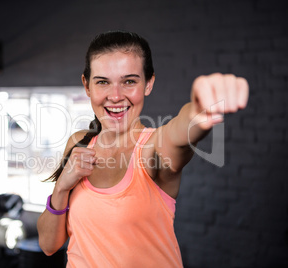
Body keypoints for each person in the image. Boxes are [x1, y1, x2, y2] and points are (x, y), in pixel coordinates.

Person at [37, 31, 249, 267]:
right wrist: (62, 187)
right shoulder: (79, 143)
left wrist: (200, 109)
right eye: (103, 82)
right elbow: (48, 245)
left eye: (129, 81)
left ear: (148, 84)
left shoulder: (151, 149)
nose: (115, 96)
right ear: (87, 86)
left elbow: (179, 133)